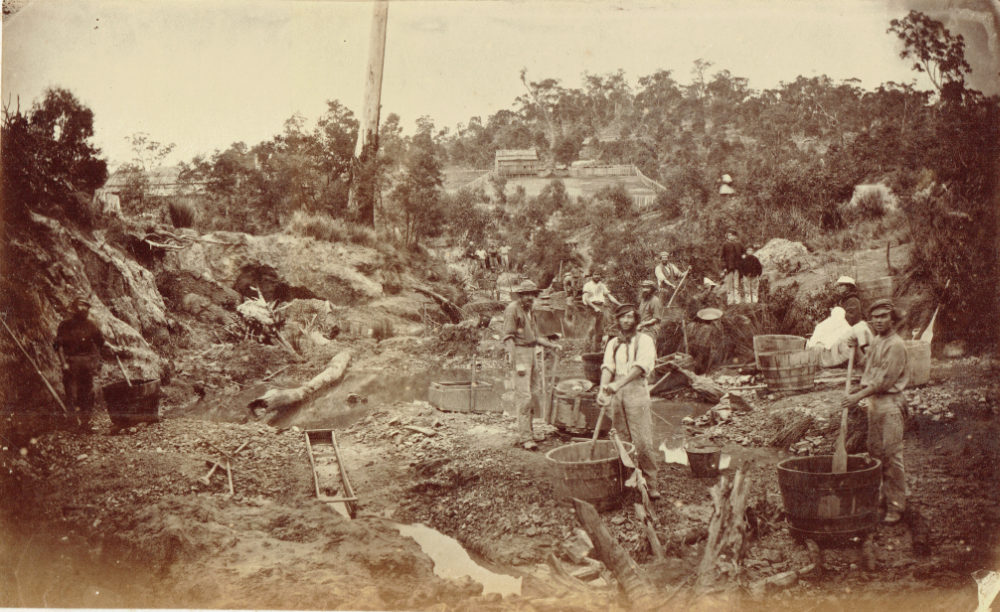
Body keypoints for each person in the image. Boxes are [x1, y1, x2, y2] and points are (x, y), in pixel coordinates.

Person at [841, 298, 909, 524]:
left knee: (891, 456)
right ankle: (882, 497)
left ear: (892, 319)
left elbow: (883, 382)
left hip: (890, 404)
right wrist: (854, 349)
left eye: (883, 316)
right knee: (875, 454)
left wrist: (856, 397)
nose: (879, 321)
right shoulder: (878, 340)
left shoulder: (896, 344)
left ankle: (897, 506)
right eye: (875, 317)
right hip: (874, 405)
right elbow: (866, 367)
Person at [598, 303, 660, 499]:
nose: (626, 321)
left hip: (636, 390)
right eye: (623, 317)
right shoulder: (613, 343)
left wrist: (619, 384)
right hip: (616, 393)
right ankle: (627, 480)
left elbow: (641, 367)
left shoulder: (645, 341)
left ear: (636, 320)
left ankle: (651, 483)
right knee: (621, 438)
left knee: (642, 440)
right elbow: (608, 367)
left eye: (630, 317)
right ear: (617, 320)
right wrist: (602, 390)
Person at [503, 280, 561, 451]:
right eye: (525, 294)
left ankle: (530, 431)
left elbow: (535, 337)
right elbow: (508, 338)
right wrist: (514, 361)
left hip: (532, 352)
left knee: (535, 393)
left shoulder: (530, 311)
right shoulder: (512, 309)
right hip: (520, 353)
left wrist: (552, 345)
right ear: (520, 296)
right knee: (524, 396)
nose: (529, 297)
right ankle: (525, 437)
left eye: (532, 294)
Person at [53, 296, 106, 428]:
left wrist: (98, 361)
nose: (82, 308)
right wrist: (63, 362)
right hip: (71, 361)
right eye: (80, 306)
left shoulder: (91, 325)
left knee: (88, 391)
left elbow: (100, 343)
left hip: (87, 362)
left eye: (85, 306)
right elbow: (57, 345)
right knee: (71, 392)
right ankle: (72, 421)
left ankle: (85, 422)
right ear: (74, 308)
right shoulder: (65, 325)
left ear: (88, 309)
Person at [581, 269, 621, 352]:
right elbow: (586, 299)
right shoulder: (587, 285)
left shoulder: (602, 285)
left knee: (600, 330)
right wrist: (594, 307)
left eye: (599, 274)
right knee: (591, 329)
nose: (597, 276)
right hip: (591, 308)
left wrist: (619, 304)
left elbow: (610, 296)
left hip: (600, 307)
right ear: (592, 276)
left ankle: (596, 350)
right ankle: (585, 350)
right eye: (595, 274)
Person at [721, 230, 745, 305]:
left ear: (735, 236)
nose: (730, 236)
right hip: (729, 268)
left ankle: (737, 301)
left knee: (737, 284)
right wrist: (724, 267)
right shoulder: (725, 245)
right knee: (729, 285)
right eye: (728, 235)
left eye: (731, 235)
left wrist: (743, 256)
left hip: (737, 267)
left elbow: (744, 252)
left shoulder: (739, 244)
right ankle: (730, 301)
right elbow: (722, 257)